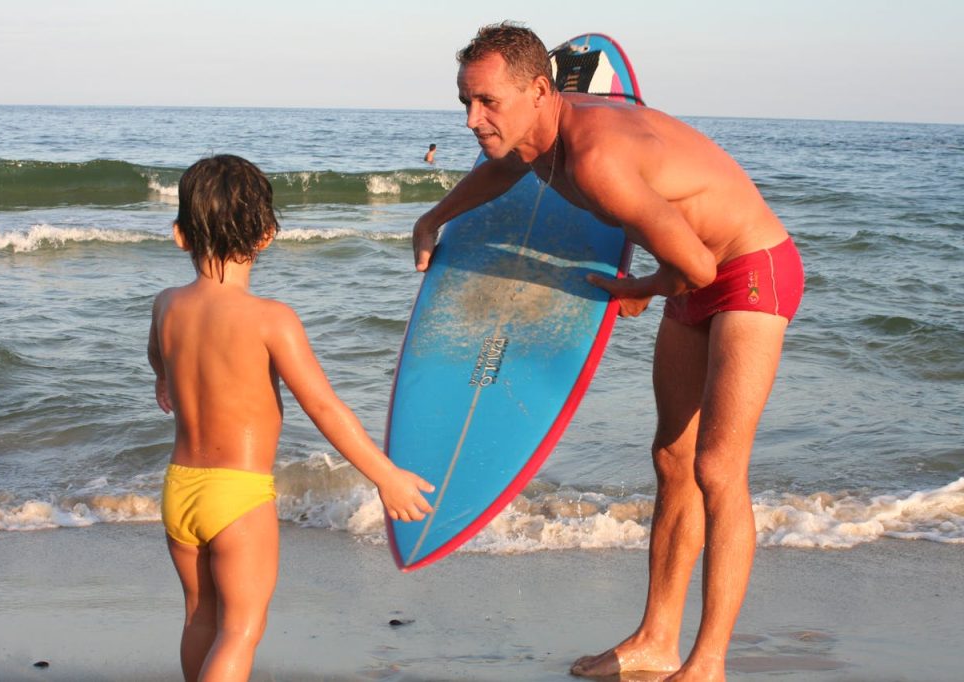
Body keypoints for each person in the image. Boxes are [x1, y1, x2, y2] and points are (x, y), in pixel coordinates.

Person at [412, 23, 803, 681]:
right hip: (693, 267)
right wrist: (435, 218)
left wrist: (640, 288)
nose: (474, 119)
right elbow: (504, 170)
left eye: (488, 103)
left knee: (716, 468)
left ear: (539, 90)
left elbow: (700, 268)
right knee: (672, 456)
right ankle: (656, 637)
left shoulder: (596, 158)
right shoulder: (539, 137)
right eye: (465, 103)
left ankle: (708, 662)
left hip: (748, 269)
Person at [148, 154, 435, 682]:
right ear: (267, 235)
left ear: (180, 236)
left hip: (179, 489)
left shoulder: (166, 305)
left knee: (199, 617)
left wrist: (165, 381)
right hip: (238, 495)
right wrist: (386, 476)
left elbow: (157, 357)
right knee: (240, 630)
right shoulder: (271, 320)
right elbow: (325, 407)